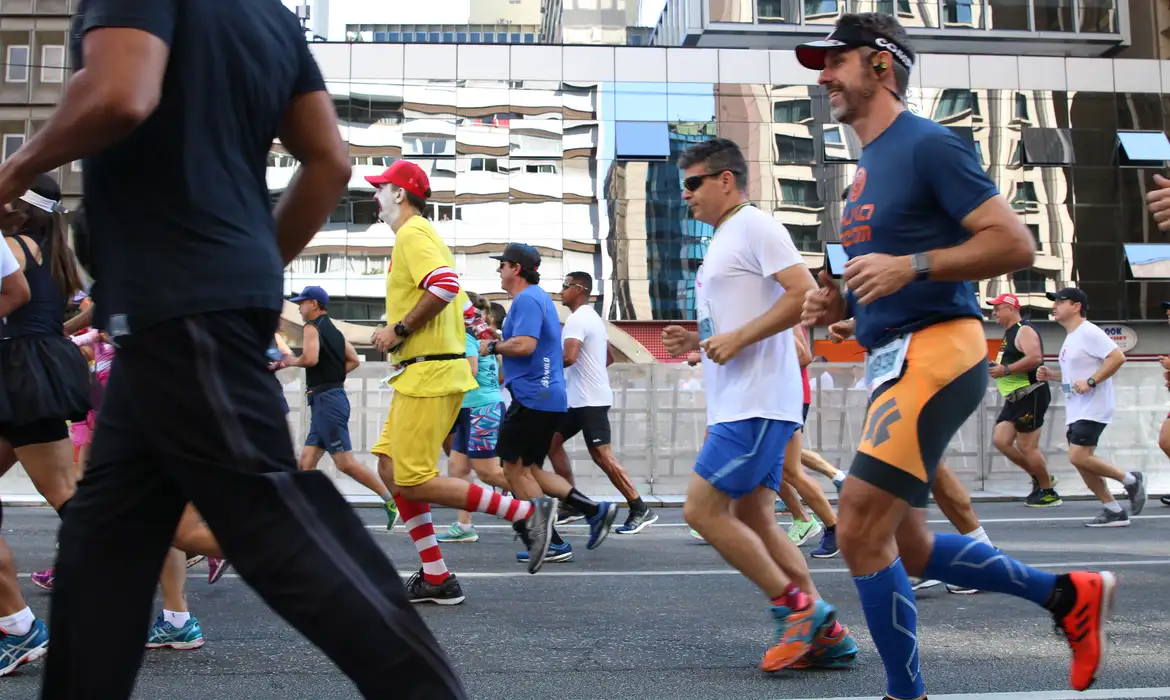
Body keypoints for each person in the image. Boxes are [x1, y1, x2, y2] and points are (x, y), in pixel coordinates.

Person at [0, 3, 469, 698]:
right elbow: (329, 161)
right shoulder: (268, 17)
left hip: (179, 302)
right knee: (102, 549)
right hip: (172, 310)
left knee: (271, 522)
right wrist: (247, 270)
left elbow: (119, 93)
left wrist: (14, 169)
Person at [796, 12, 1116, 698]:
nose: (823, 78)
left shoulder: (928, 144)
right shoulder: (866, 169)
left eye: (835, 62)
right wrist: (840, 304)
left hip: (937, 351)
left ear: (881, 64)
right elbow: (882, 276)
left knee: (856, 528)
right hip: (894, 360)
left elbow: (1015, 243)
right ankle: (1067, 596)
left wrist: (911, 266)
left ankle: (905, 694)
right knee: (906, 546)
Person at [662, 137, 858, 673]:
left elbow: (801, 295)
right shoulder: (725, 239)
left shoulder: (755, 226)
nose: (686, 195)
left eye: (693, 183)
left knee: (702, 511)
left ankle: (797, 611)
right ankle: (828, 635)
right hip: (741, 401)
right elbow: (738, 324)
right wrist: (698, 341)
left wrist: (739, 338)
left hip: (756, 404)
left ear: (726, 180)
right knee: (754, 517)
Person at [366, 161, 555, 600]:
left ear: (400, 193)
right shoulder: (423, 237)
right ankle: (436, 577)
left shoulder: (413, 233)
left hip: (430, 372)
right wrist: (481, 332)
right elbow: (463, 305)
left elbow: (445, 285)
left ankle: (526, 514)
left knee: (412, 479)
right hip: (422, 371)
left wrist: (399, 329)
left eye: (381, 187)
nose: (375, 195)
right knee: (390, 466)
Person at [0, 175, 90, 677]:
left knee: (65, 493)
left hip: (18, 374)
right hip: (36, 369)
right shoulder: (53, 251)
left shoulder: (14, 246)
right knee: (66, 492)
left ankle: (145, 551)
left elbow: (13, 301)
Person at [482, 243, 619, 565]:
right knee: (529, 469)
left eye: (502, 265)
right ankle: (593, 511)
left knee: (511, 469)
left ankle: (551, 539)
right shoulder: (536, 298)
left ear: (516, 268)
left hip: (534, 396)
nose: (499, 270)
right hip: (544, 396)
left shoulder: (528, 299)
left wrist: (492, 347)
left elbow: (525, 345)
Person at [277, 285, 399, 530]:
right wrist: (331, 375)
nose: (299, 308)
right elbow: (353, 360)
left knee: (345, 463)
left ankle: (390, 501)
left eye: (302, 303)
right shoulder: (333, 329)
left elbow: (310, 358)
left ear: (313, 304)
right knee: (306, 463)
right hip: (329, 398)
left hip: (327, 402)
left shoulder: (311, 327)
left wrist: (291, 361)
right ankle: (307, 515)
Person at [547, 270, 657, 534]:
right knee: (550, 442)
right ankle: (571, 503)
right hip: (578, 399)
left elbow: (569, 357)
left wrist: (541, 368)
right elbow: (608, 357)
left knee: (602, 456)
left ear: (580, 289)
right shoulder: (592, 319)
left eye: (566, 286)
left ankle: (640, 508)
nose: (561, 291)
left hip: (589, 400)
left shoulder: (577, 319)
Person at [1036, 288, 1145, 526]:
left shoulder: (1089, 331)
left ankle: (1130, 480)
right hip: (1076, 409)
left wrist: (1092, 381)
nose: (1054, 306)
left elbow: (1117, 357)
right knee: (1081, 461)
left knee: (1078, 456)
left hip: (1094, 407)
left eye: (1060, 301)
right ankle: (1113, 509)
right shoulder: (1071, 337)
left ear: (1076, 307)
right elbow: (1075, 380)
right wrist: (1052, 376)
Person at [437, 292, 512, 544]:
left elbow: (470, 369)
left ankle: (540, 502)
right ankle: (464, 526)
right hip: (472, 408)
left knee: (488, 472)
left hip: (482, 409)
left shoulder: (467, 335)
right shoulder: (481, 334)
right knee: (458, 468)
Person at [986, 293, 1060, 507]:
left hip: (1031, 394)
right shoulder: (1009, 333)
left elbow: (1035, 358)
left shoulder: (1024, 329)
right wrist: (998, 368)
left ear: (1010, 308)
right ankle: (1041, 475)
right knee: (1001, 441)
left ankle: (1048, 492)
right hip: (1015, 397)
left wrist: (1006, 370)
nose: (994, 313)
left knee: (1027, 446)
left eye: (997, 308)